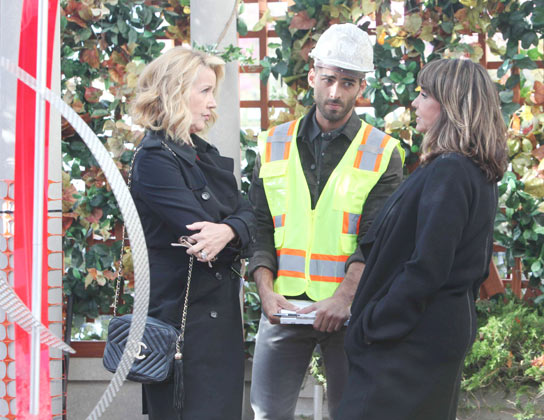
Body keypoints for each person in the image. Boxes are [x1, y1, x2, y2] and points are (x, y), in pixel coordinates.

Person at [335, 58, 508, 420]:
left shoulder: (451, 170)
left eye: (425, 94)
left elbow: (428, 266)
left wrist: (374, 323)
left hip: (410, 342)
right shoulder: (469, 169)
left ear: (452, 106)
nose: (415, 103)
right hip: (427, 333)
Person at [248, 23, 404, 420]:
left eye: (347, 83)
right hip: (283, 307)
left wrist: (344, 298)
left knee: (353, 414)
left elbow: (376, 236)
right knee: (267, 413)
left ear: (361, 87)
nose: (335, 92)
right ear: (313, 75)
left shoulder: (384, 152)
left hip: (350, 311)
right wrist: (265, 291)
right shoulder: (272, 144)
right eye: (330, 79)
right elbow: (260, 224)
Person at [129, 46, 255, 419]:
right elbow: (201, 237)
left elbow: (250, 215)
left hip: (218, 329)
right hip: (181, 333)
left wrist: (230, 229)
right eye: (204, 91)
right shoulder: (154, 159)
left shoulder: (203, 153)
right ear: (173, 91)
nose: (212, 103)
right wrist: (236, 228)